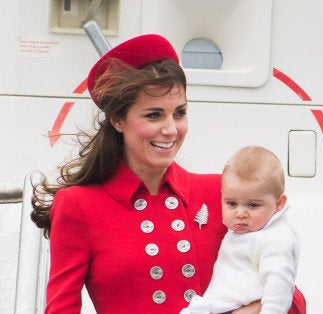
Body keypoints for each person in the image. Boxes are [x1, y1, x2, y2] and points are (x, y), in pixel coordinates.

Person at [30, 34, 306, 313]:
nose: (171, 129)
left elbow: (288, 291)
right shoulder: (78, 204)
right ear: (118, 120)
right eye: (153, 115)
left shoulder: (222, 193)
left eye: (179, 113)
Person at [182, 145, 299, 314]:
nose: (240, 213)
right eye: (231, 203)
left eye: (253, 205)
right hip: (219, 303)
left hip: (240, 305)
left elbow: (279, 284)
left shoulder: (275, 239)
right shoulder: (251, 230)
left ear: (279, 204)